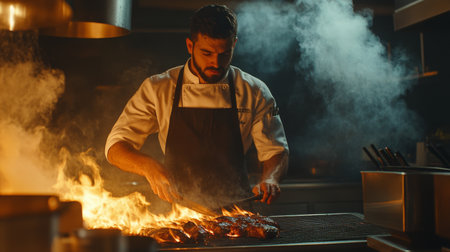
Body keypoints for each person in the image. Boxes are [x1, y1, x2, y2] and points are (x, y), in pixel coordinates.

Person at [105, 5, 288, 210]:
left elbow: (275, 150)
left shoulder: (254, 91)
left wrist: (270, 178)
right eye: (207, 53)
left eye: (224, 53)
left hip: (236, 212)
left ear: (234, 45)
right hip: (177, 211)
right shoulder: (159, 88)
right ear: (190, 46)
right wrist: (149, 167)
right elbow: (115, 148)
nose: (215, 62)